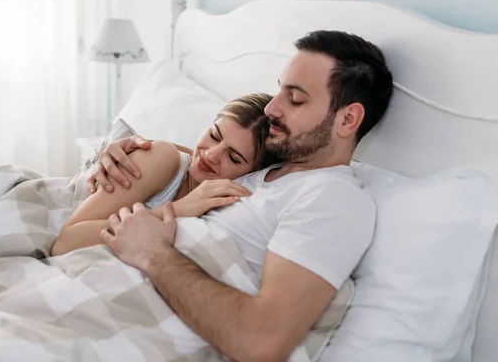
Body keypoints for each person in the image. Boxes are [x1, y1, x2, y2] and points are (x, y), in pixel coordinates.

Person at [89, 30, 394, 361]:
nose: (273, 109)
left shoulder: (334, 198)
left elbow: (261, 342)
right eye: (279, 90)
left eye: (295, 99)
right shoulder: (264, 175)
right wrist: (129, 148)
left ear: (347, 119)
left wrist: (152, 253)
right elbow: (206, 159)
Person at [51, 93, 281, 256]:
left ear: (252, 174)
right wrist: (178, 210)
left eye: (233, 157)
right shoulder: (163, 158)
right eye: (214, 135)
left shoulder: (234, 205)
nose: (210, 155)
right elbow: (66, 242)